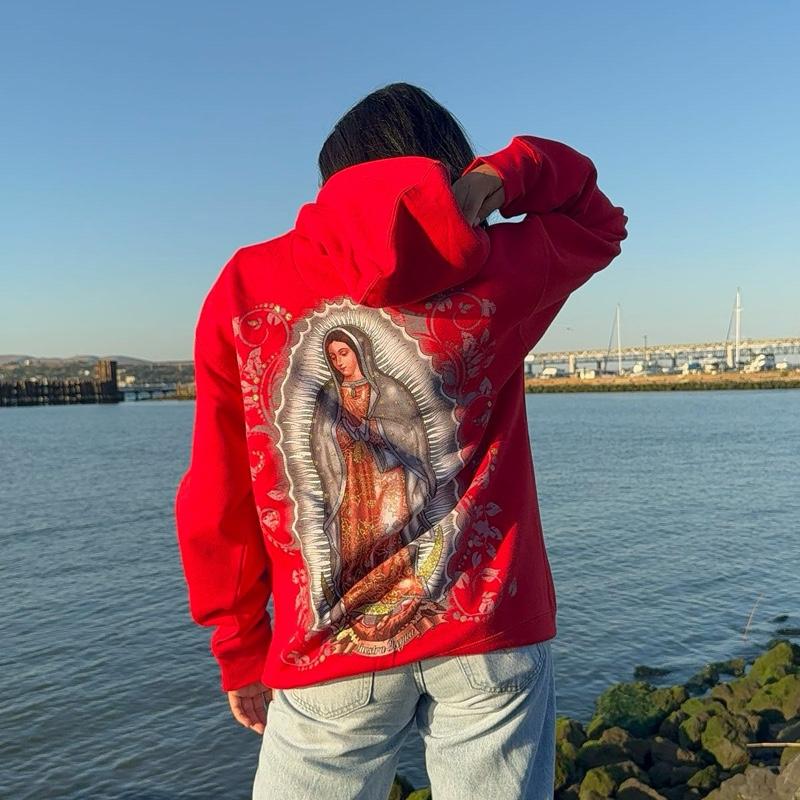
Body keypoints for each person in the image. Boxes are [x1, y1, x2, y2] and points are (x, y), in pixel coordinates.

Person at [174, 81, 628, 800]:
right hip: (487, 631)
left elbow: (217, 492)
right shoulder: (504, 267)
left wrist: (239, 645)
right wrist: (502, 174)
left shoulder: (246, 286)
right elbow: (599, 220)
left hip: (327, 649)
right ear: (449, 163)